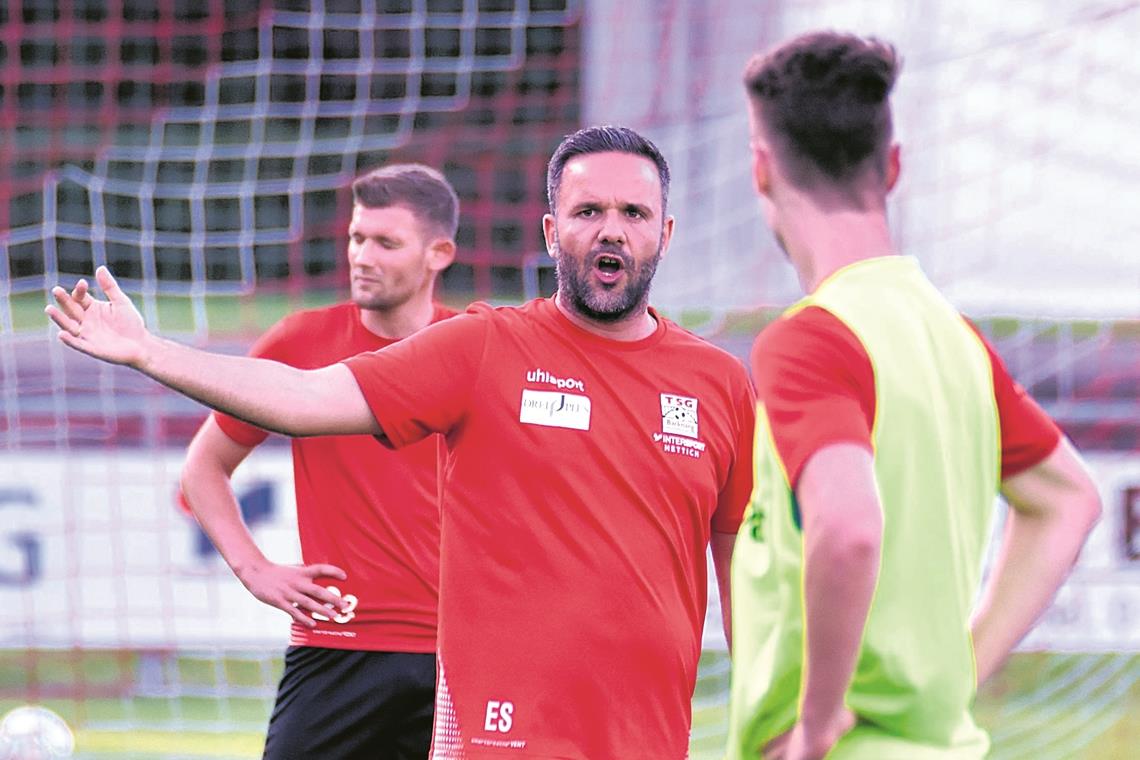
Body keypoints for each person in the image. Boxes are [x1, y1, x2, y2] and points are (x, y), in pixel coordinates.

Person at [47, 125, 756, 759]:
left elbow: (749, 570)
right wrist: (152, 353)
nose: (611, 230)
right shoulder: (483, 347)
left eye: (632, 213)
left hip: (652, 740)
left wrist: (774, 705)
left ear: (665, 230)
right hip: (494, 740)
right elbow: (304, 398)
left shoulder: (719, 383)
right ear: (549, 231)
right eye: (587, 212)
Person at [726, 31, 1103, 760]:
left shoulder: (812, 339)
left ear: (762, 170)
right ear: (893, 166)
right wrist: (958, 671)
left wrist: (816, 725)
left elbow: (849, 529)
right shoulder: (957, 342)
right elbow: (1069, 499)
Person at [180, 163, 459, 759]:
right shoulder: (300, 343)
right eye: (357, 237)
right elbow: (203, 468)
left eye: (386, 242)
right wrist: (255, 569)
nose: (363, 255)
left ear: (439, 253)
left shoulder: (474, 348)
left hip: (463, 653)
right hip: (336, 644)